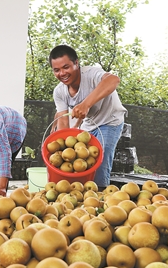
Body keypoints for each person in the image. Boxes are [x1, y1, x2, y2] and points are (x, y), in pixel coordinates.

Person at [49, 45, 127, 190]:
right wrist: (63, 150)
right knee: (81, 163)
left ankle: (99, 197)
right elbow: (63, 122)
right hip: (88, 126)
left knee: (100, 163)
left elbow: (114, 80)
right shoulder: (59, 92)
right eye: (57, 70)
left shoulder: (91, 74)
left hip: (110, 121)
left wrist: (86, 104)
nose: (62, 73)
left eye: (66, 67)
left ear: (76, 63)